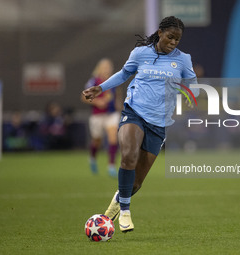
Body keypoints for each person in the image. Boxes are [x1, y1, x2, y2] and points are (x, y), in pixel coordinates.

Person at [82, 16, 198, 233]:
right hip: (134, 112)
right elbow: (124, 74)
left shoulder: (183, 60)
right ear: (160, 32)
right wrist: (101, 88)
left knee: (136, 183)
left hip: (159, 122)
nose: (173, 42)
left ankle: (118, 201)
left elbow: (193, 87)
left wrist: (188, 94)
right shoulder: (140, 53)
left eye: (177, 40)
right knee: (128, 155)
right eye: (170, 37)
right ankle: (125, 211)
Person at [81, 58, 120, 177]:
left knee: (113, 138)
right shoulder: (93, 81)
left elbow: (117, 98)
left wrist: (121, 106)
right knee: (97, 140)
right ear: (99, 68)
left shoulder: (114, 81)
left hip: (111, 114)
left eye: (109, 67)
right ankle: (92, 158)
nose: (107, 69)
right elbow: (84, 97)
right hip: (97, 115)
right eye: (104, 67)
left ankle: (111, 165)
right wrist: (97, 102)